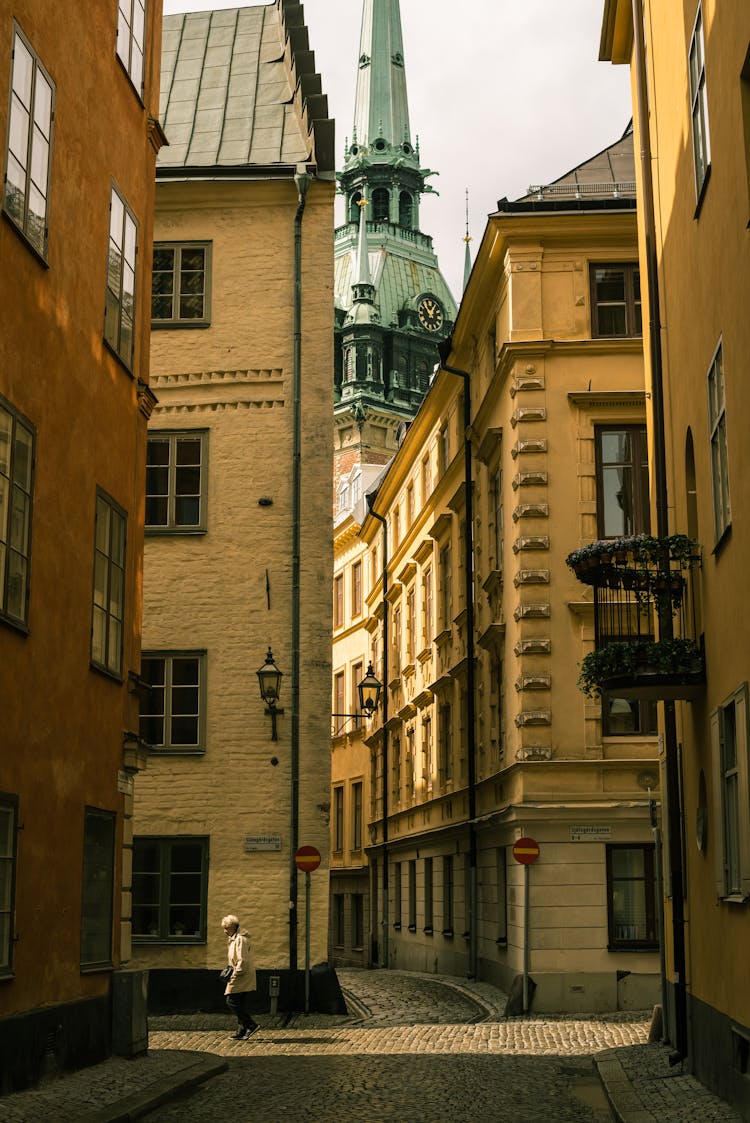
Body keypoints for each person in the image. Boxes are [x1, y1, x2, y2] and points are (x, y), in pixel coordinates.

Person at [221, 914, 259, 1040]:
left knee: (231, 1001)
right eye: (224, 928)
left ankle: (251, 1025)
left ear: (234, 927)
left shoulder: (240, 940)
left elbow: (243, 960)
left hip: (241, 975)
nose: (225, 931)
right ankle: (241, 1030)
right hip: (240, 973)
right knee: (239, 1002)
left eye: (227, 928)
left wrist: (236, 974)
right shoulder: (234, 938)